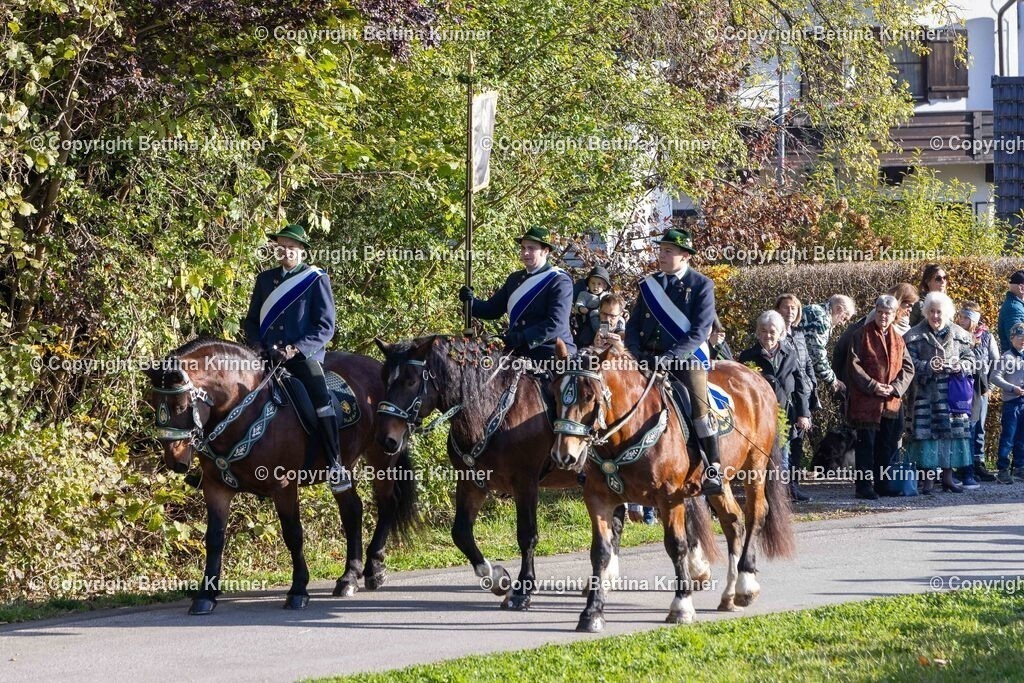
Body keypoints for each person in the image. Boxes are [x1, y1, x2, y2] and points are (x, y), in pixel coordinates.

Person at [242, 223, 351, 492]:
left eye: (291, 248)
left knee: (320, 398)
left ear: (302, 251)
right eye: (281, 247)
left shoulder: (315, 279)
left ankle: (335, 464)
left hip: (302, 356)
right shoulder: (265, 280)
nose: (286, 252)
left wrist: (294, 349)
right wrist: (257, 345)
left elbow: (325, 326)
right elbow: (251, 321)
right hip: (266, 355)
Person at [625, 228, 722, 495]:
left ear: (685, 256)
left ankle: (713, 467)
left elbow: (700, 331)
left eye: (668, 251)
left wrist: (669, 358)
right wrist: (634, 352)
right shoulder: (648, 285)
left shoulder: (702, 285)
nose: (662, 256)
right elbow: (633, 325)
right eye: (661, 250)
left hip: (685, 359)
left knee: (698, 405)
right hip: (646, 358)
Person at [459, 226, 575, 362]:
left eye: (531, 248)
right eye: (523, 248)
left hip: (550, 352)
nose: (525, 253)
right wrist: (470, 302)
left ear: (545, 251)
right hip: (518, 352)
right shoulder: (514, 279)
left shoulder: (559, 280)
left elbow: (556, 324)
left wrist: (522, 337)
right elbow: (492, 309)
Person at [845, 296, 915, 499]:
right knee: (866, 446)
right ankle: (864, 486)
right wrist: (874, 386)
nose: (884, 316)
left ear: (894, 315)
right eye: (881, 312)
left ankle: (883, 484)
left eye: (888, 313)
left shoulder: (898, 339)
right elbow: (853, 366)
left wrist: (894, 388)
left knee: (888, 445)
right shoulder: (861, 335)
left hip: (891, 402)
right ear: (875, 311)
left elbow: (908, 368)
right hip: (867, 402)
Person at [903, 292, 974, 494]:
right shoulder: (914, 336)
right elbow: (908, 363)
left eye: (939, 312)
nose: (935, 316)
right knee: (926, 437)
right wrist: (927, 366)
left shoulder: (960, 334)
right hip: (926, 395)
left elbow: (972, 360)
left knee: (951, 436)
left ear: (947, 313)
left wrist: (959, 366)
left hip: (953, 397)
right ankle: (927, 480)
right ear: (926, 312)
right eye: (931, 311)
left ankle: (948, 478)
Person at [739, 311, 812, 488]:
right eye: (763, 331)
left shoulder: (790, 354)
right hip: (757, 415)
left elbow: (801, 386)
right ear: (757, 333)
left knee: (782, 455)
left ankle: (783, 492)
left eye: (772, 331)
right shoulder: (748, 356)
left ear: (780, 333)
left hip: (783, 414)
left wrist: (804, 414)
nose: (767, 335)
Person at [775, 294, 817, 502]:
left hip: (802, 395)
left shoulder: (799, 334)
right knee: (784, 442)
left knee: (798, 444)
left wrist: (812, 384)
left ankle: (794, 485)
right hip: (784, 395)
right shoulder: (773, 332)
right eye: (786, 308)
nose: (790, 312)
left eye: (794, 308)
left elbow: (807, 362)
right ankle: (781, 488)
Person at [957, 302, 999, 485]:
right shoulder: (957, 335)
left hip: (980, 388)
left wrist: (989, 386)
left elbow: (996, 362)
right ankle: (962, 465)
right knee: (963, 428)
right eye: (962, 316)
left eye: (967, 317)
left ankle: (978, 462)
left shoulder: (986, 337)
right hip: (961, 388)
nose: (963, 320)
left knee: (979, 428)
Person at [797, 294, 856, 398]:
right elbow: (816, 353)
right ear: (838, 309)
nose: (842, 324)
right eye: (844, 318)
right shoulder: (821, 319)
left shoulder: (815, 310)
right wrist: (833, 380)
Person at [989, 322, 1024, 484]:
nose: (1022, 339)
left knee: (1022, 436)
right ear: (1012, 338)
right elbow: (994, 377)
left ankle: (1019, 467)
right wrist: (1012, 388)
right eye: (1019, 336)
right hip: (1012, 401)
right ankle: (1002, 468)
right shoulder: (1006, 357)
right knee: (1008, 436)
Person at [573, 266, 612, 346]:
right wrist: (581, 308)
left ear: (604, 286)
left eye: (599, 284)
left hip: (606, 319)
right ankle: (602, 334)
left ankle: (609, 336)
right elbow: (578, 304)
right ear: (588, 284)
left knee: (619, 319)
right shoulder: (584, 294)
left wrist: (623, 312)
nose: (595, 286)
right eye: (593, 283)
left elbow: (616, 304)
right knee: (594, 313)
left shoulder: (608, 296)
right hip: (589, 320)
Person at [997, 270, 1024, 353]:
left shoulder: (1016, 306)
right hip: (1016, 362)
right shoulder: (1013, 309)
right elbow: (1017, 342)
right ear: (1022, 288)